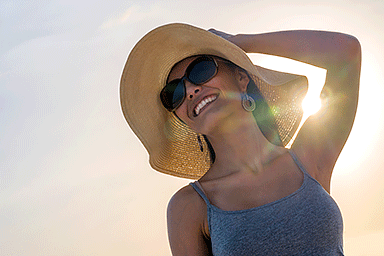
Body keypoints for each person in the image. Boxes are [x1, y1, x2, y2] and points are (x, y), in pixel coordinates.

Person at [120, 23, 361, 255]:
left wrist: (239, 42)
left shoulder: (308, 157)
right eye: (175, 93)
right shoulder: (190, 206)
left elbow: (345, 52)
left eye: (201, 70)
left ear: (241, 78)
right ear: (182, 118)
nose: (191, 90)